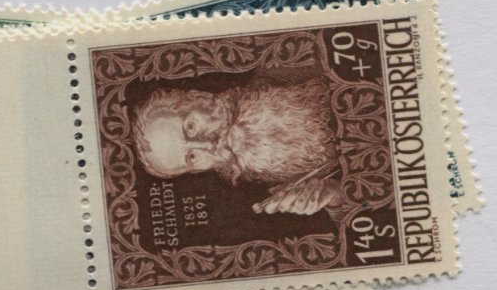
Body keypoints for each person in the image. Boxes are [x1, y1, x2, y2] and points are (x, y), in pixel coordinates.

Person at [132, 77, 342, 215]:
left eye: (190, 127)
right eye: (191, 157)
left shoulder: (288, 64)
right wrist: (334, 195)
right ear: (198, 170)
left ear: (201, 98)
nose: (207, 143)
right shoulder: (286, 190)